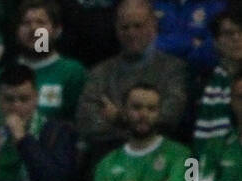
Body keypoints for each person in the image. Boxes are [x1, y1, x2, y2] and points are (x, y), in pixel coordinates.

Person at [75, 0, 189, 158]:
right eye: (125, 27)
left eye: (138, 26)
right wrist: (143, 122)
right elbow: (87, 123)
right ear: (116, 29)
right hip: (108, 157)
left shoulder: (174, 69)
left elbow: (170, 117)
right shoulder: (99, 73)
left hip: (160, 158)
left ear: (153, 26)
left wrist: (118, 117)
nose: (131, 33)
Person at [88, 84, 191, 181]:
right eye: (136, 108)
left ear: (159, 113)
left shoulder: (186, 156)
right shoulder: (105, 163)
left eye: (151, 109)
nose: (143, 114)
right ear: (123, 111)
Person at [0, 1, 88, 125]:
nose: (33, 29)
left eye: (41, 23)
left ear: (57, 30)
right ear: (16, 32)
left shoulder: (73, 73)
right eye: (25, 23)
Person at [192, 4, 242, 152]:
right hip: (217, 159)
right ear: (216, 42)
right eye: (228, 33)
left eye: (241, 31)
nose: (236, 38)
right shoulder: (205, 83)